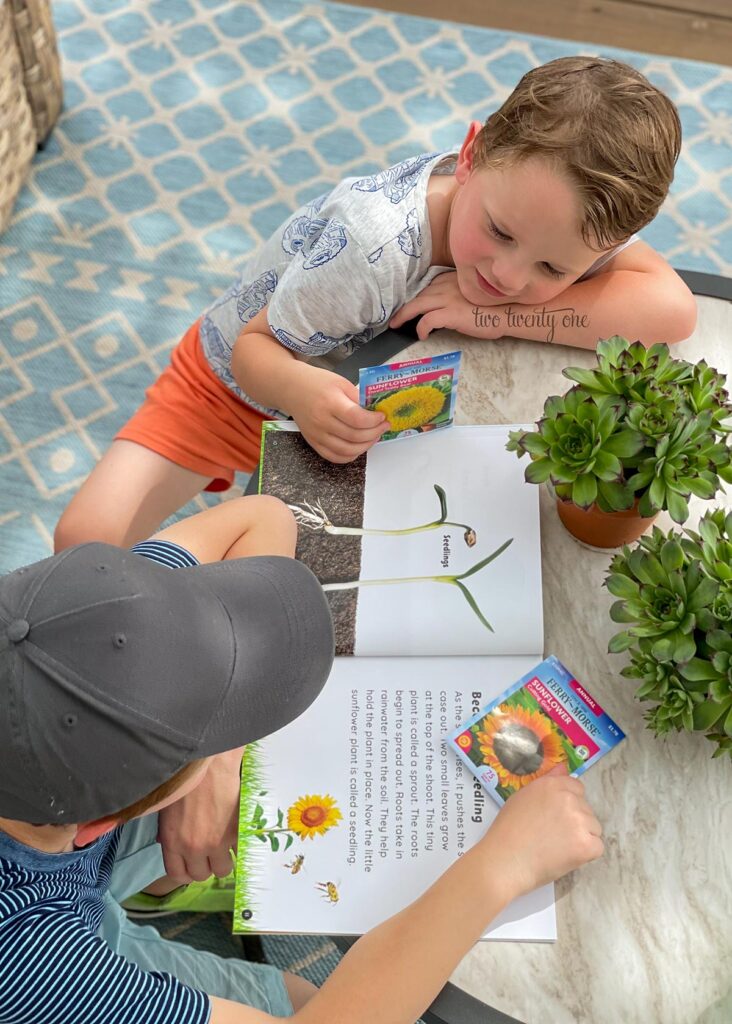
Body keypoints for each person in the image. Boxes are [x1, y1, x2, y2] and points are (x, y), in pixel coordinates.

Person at [54, 55, 697, 553]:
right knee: (82, 543)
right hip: (231, 392)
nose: (507, 273)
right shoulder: (373, 244)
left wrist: (498, 316)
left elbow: (672, 309)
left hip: (356, 419)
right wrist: (304, 398)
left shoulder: (560, 210)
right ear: (469, 157)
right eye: (499, 233)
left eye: (554, 269)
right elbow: (254, 349)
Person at [0, 500, 604, 1023]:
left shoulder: (86, 626)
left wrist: (214, 766)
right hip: (50, 938)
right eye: (204, 736)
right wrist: (502, 867)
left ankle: (144, 883)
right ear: (100, 823)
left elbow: (262, 520)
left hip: (55, 854)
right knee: (300, 1002)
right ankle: (139, 891)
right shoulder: (35, 958)